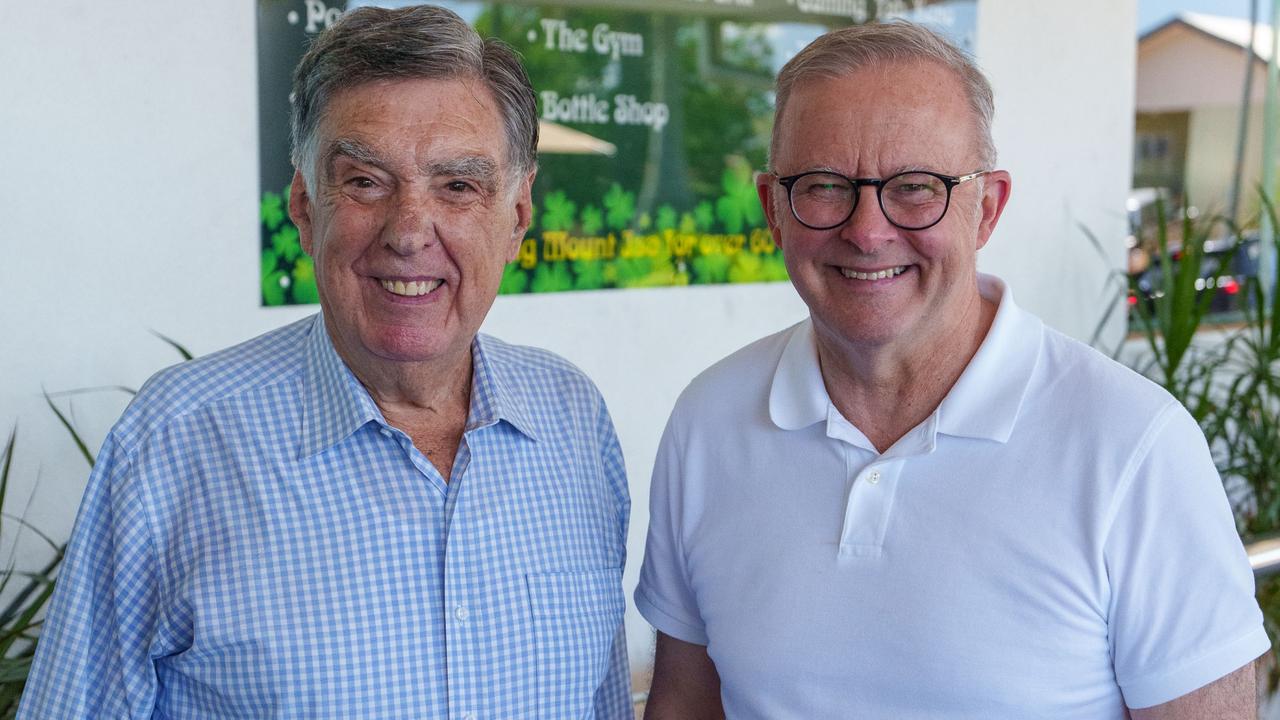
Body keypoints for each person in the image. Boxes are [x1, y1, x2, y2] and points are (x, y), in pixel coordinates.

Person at [635, 21, 1267, 720]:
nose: (867, 230)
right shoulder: (710, 420)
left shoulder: (1133, 446)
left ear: (986, 209)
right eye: (823, 186)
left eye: (915, 187)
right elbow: (685, 705)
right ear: (774, 211)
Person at [20, 6, 631, 718]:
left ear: (519, 214)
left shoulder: (573, 422)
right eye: (366, 181)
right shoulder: (178, 441)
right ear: (306, 207)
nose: (408, 231)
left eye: (457, 186)